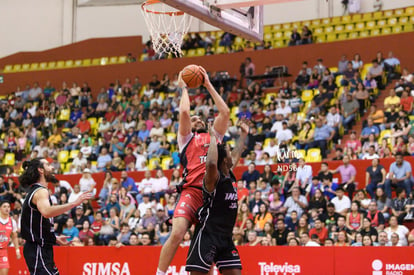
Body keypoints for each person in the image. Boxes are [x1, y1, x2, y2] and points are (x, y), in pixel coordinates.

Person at [157, 66, 232, 275]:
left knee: (205, 254)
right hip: (191, 192)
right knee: (178, 232)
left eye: (201, 118)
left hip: (212, 199)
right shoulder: (186, 139)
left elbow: (225, 112)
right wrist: (184, 88)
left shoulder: (214, 137)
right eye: (195, 118)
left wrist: (207, 84)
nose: (197, 118)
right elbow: (183, 111)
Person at [186, 124, 243, 274]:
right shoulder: (213, 178)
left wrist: (244, 133)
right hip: (207, 236)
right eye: (229, 152)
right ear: (224, 159)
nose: (233, 154)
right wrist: (213, 138)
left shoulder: (228, 175)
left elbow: (238, 151)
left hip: (225, 238)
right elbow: (211, 163)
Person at [20, 158, 92, 274]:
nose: (52, 167)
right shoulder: (40, 191)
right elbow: (47, 212)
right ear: (41, 170)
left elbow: (40, 222)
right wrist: (74, 203)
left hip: (42, 248)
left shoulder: (39, 191)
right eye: (48, 165)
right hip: (37, 248)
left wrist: (54, 238)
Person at [0, 201, 20, 275]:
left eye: (8, 207)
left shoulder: (12, 222)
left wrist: (17, 250)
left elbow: (14, 237)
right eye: (4, 206)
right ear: (0, 208)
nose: (7, 208)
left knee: (4, 272)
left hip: (3, 251)